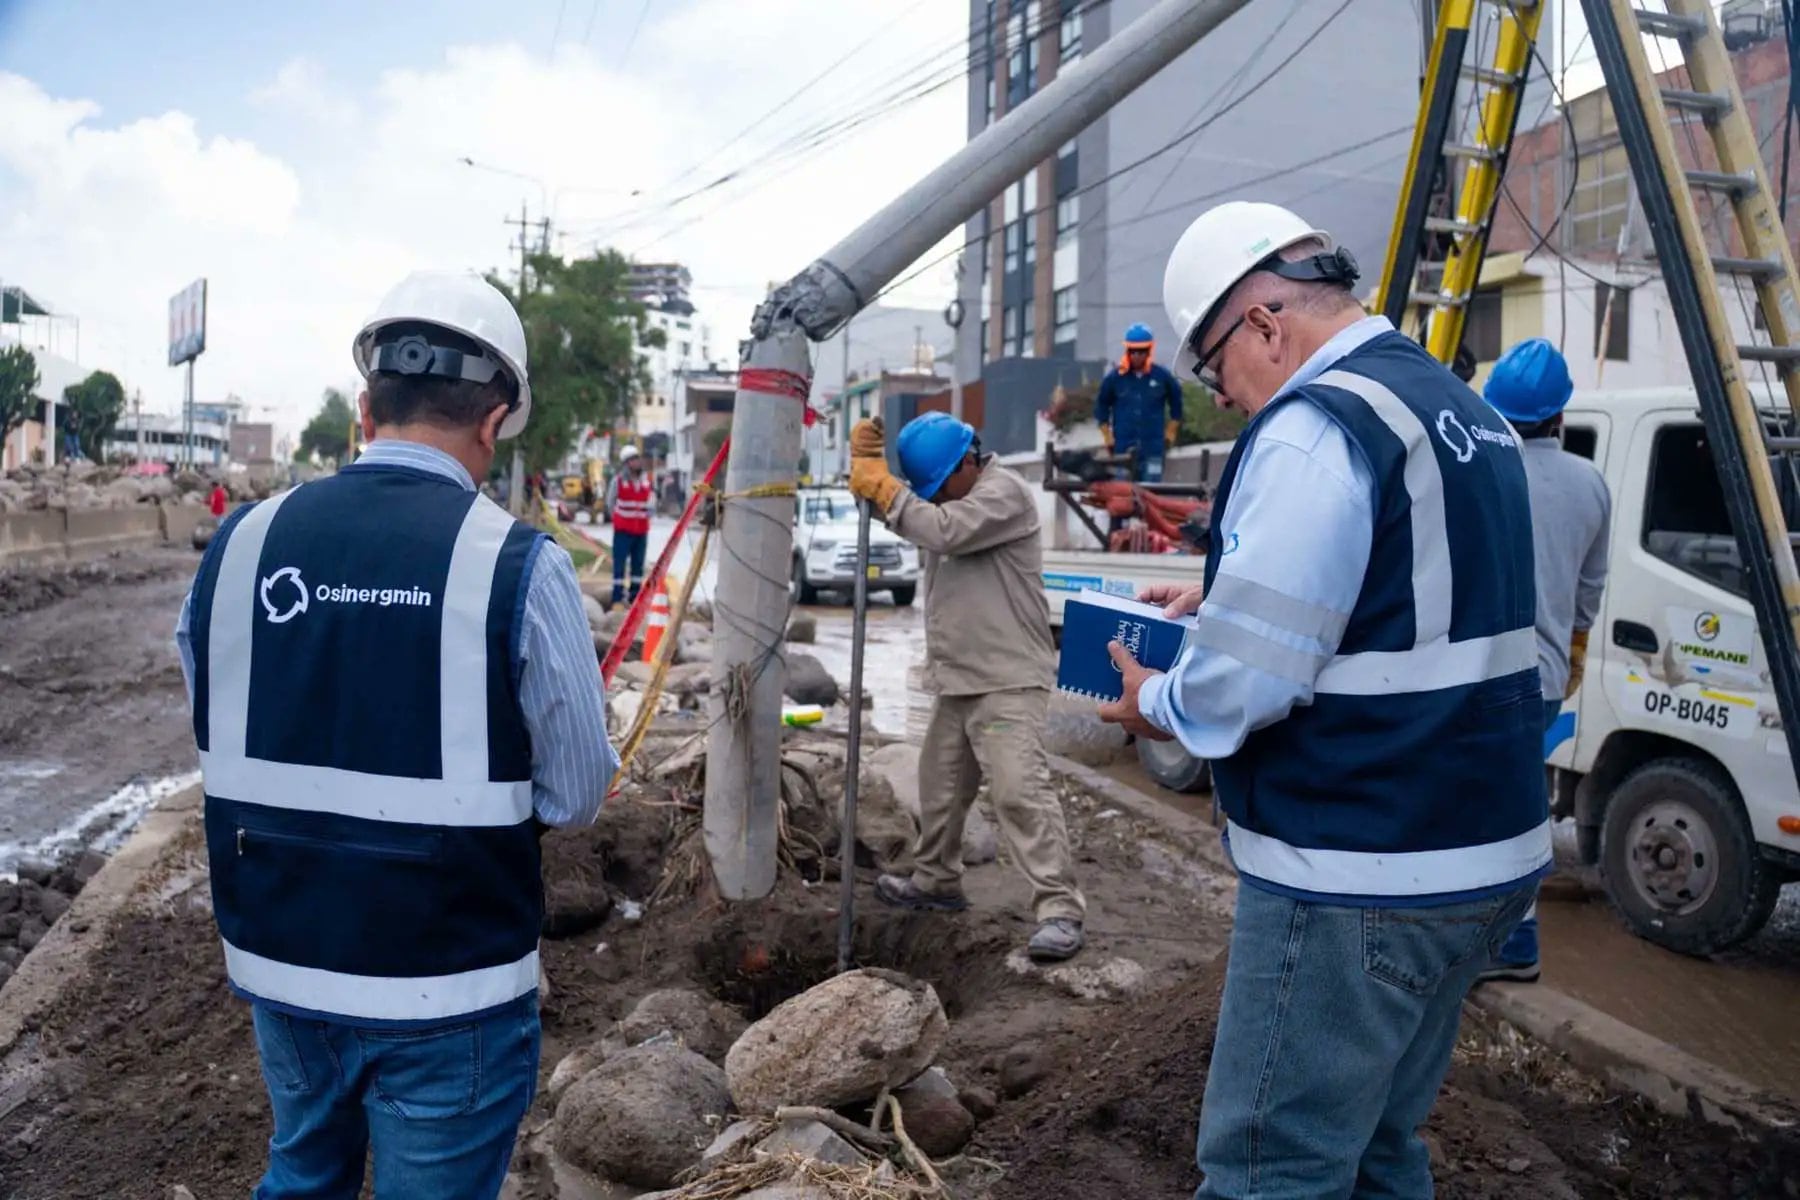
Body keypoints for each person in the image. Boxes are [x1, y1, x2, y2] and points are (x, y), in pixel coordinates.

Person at [1097, 201, 1547, 1199]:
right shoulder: (1453, 405)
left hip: (1362, 868)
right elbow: (1416, 591)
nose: (1230, 397)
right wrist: (1226, 597)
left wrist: (1157, 700)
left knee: (1277, 1168)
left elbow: (1241, 688)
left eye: (1217, 372)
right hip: (1482, 857)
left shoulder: (1314, 427)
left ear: (1263, 321)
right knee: (1383, 1146)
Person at [174, 270, 618, 1200]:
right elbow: (575, 794)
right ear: (495, 422)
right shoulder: (516, 562)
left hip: (284, 963)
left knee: (302, 1174)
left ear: (367, 405)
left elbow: (218, 718)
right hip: (447, 986)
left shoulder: (242, 544)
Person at [847, 411, 1087, 962]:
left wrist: (888, 490)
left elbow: (943, 530)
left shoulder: (1004, 494)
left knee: (1017, 791)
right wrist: (869, 477)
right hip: (960, 675)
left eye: (936, 486)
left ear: (967, 463)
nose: (932, 498)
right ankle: (936, 881)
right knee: (940, 785)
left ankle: (1060, 910)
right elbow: (917, 518)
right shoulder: (955, 497)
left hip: (1007, 677)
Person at [1476, 337, 1612, 985]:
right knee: (1522, 801)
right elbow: (1589, 592)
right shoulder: (1591, 485)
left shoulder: (1479, 469)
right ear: (1560, 416)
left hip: (1473, 673)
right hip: (1544, 678)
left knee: (1464, 799)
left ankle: (1469, 939)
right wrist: (1574, 652)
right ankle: (1517, 938)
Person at [1094, 321, 1184, 481]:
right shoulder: (1115, 378)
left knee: (1151, 492)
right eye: (1133, 351)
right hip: (1123, 451)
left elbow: (1177, 403)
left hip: (1153, 449)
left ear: (1149, 350)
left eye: (1141, 351)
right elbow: (1101, 406)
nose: (1137, 355)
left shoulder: (1162, 377)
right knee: (1124, 495)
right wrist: (1107, 436)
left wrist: (1171, 431)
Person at [604, 444, 652, 609]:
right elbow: (610, 503)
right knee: (619, 564)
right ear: (626, 463)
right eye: (633, 460)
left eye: (637, 459)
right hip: (623, 531)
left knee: (638, 566)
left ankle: (635, 597)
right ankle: (617, 598)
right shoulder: (617, 481)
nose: (637, 462)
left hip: (641, 531)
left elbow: (651, 502)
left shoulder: (646, 481)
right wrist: (618, 519)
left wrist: (648, 514)